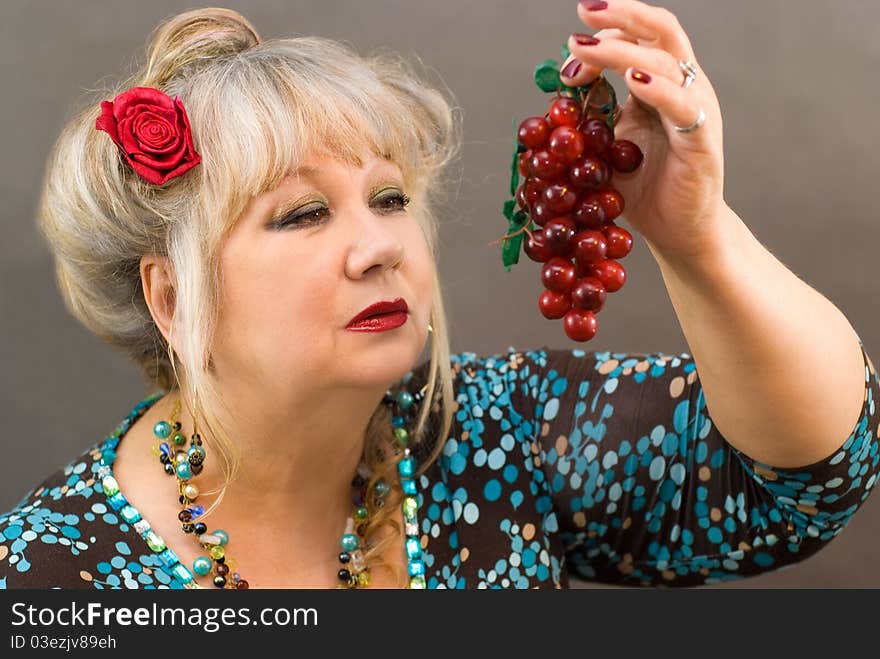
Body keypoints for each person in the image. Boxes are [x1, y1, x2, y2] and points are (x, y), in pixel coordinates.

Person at [1, 1, 877, 590]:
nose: (380, 246)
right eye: (304, 214)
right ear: (172, 295)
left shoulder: (491, 437)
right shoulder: (50, 573)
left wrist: (697, 238)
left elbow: (808, 477)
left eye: (388, 198)